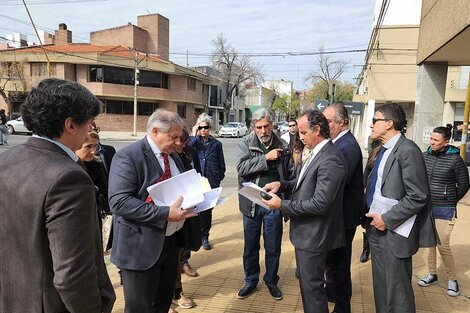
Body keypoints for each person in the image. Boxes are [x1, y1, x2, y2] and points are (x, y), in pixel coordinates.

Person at [0, 78, 115, 313]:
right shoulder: (69, 179)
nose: (92, 129)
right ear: (71, 125)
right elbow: (73, 275)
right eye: (90, 123)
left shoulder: (7, 159)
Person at [108, 109, 197, 313]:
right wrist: (165, 214)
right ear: (155, 131)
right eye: (173, 137)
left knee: (162, 303)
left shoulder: (173, 157)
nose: (178, 142)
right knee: (140, 308)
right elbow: (119, 202)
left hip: (169, 242)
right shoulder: (128, 157)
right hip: (140, 247)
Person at [262, 109, 347, 313]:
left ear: (317, 130)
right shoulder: (318, 152)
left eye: (302, 133)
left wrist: (281, 205)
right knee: (309, 288)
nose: (299, 138)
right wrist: (281, 185)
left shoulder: (330, 158)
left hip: (315, 236)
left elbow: (320, 203)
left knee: (313, 290)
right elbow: (303, 184)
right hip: (308, 234)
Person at [365, 103, 438, 313]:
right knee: (381, 289)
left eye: (375, 120)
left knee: (398, 294)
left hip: (394, 232)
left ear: (389, 123)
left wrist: (387, 219)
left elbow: (418, 196)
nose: (371, 125)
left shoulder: (408, 150)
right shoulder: (382, 150)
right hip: (376, 229)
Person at [236, 108, 294, 300]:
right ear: (254, 127)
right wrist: (265, 158)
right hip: (251, 202)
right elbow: (242, 168)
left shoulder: (283, 144)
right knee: (251, 247)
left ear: (272, 125)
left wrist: (286, 200)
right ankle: (251, 280)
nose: (263, 130)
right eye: (259, 127)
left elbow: (290, 174)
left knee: (273, 246)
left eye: (266, 126)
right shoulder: (246, 142)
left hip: (273, 204)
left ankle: (271, 280)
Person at [418, 124, 469, 297]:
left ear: (446, 142)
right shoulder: (425, 156)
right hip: (426, 208)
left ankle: (452, 279)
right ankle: (432, 274)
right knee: (429, 243)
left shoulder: (455, 160)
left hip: (445, 209)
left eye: (436, 140)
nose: (431, 142)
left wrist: (450, 200)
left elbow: (464, 184)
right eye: (431, 139)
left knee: (442, 244)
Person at [323, 103, 363, 313]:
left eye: (328, 121)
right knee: (333, 260)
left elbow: (336, 182)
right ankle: (332, 293)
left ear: (341, 123)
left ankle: (342, 305)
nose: (323, 125)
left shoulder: (346, 146)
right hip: (338, 215)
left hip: (344, 216)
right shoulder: (338, 143)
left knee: (339, 262)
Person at [171, 128, 202, 311]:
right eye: (176, 141)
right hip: (166, 214)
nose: (180, 145)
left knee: (177, 254)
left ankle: (176, 292)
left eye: (183, 142)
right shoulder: (163, 156)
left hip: (186, 210)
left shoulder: (189, 153)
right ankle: (168, 296)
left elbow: (195, 175)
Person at [190, 115, 226, 250]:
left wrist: (218, 177)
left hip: (211, 180)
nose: (203, 130)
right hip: (196, 181)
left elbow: (221, 163)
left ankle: (205, 236)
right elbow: (187, 148)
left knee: (207, 211)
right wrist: (194, 134)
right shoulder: (194, 142)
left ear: (210, 128)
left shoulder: (217, 144)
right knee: (195, 210)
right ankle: (196, 236)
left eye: (206, 127)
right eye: (201, 127)